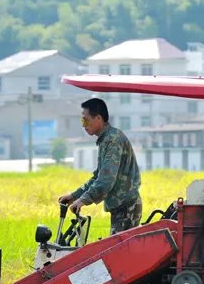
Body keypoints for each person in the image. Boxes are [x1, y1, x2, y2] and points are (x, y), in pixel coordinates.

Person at [58, 97, 142, 235]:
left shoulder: (113, 140)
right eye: (82, 121)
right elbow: (98, 177)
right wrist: (74, 196)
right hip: (121, 207)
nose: (83, 125)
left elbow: (106, 180)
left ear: (98, 118)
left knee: (118, 248)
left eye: (85, 120)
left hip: (126, 207)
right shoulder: (106, 140)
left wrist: (83, 200)